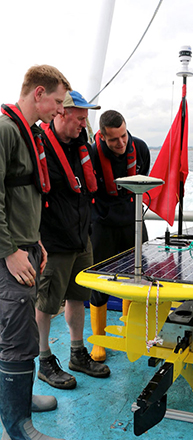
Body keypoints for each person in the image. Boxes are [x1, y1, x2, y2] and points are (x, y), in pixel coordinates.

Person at [0, 64, 71, 440]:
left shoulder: (27, 133)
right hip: (8, 253)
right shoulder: (6, 130)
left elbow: (22, 197)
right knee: (16, 339)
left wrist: (35, 241)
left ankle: (19, 403)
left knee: (22, 332)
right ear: (38, 92)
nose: (59, 110)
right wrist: (10, 252)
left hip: (25, 245)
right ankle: (16, 433)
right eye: (58, 102)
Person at [35, 91, 111, 390]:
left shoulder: (81, 146)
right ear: (60, 113)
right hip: (52, 243)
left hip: (81, 238)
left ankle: (77, 353)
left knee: (77, 297)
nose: (84, 123)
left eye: (85, 118)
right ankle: (44, 360)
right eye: (80, 118)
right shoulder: (40, 146)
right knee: (46, 303)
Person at [90, 110, 150, 361]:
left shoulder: (141, 148)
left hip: (132, 220)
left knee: (136, 278)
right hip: (102, 223)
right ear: (102, 137)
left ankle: (129, 331)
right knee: (99, 283)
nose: (121, 143)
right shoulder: (91, 154)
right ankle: (98, 341)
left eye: (124, 135)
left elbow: (143, 180)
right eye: (114, 139)